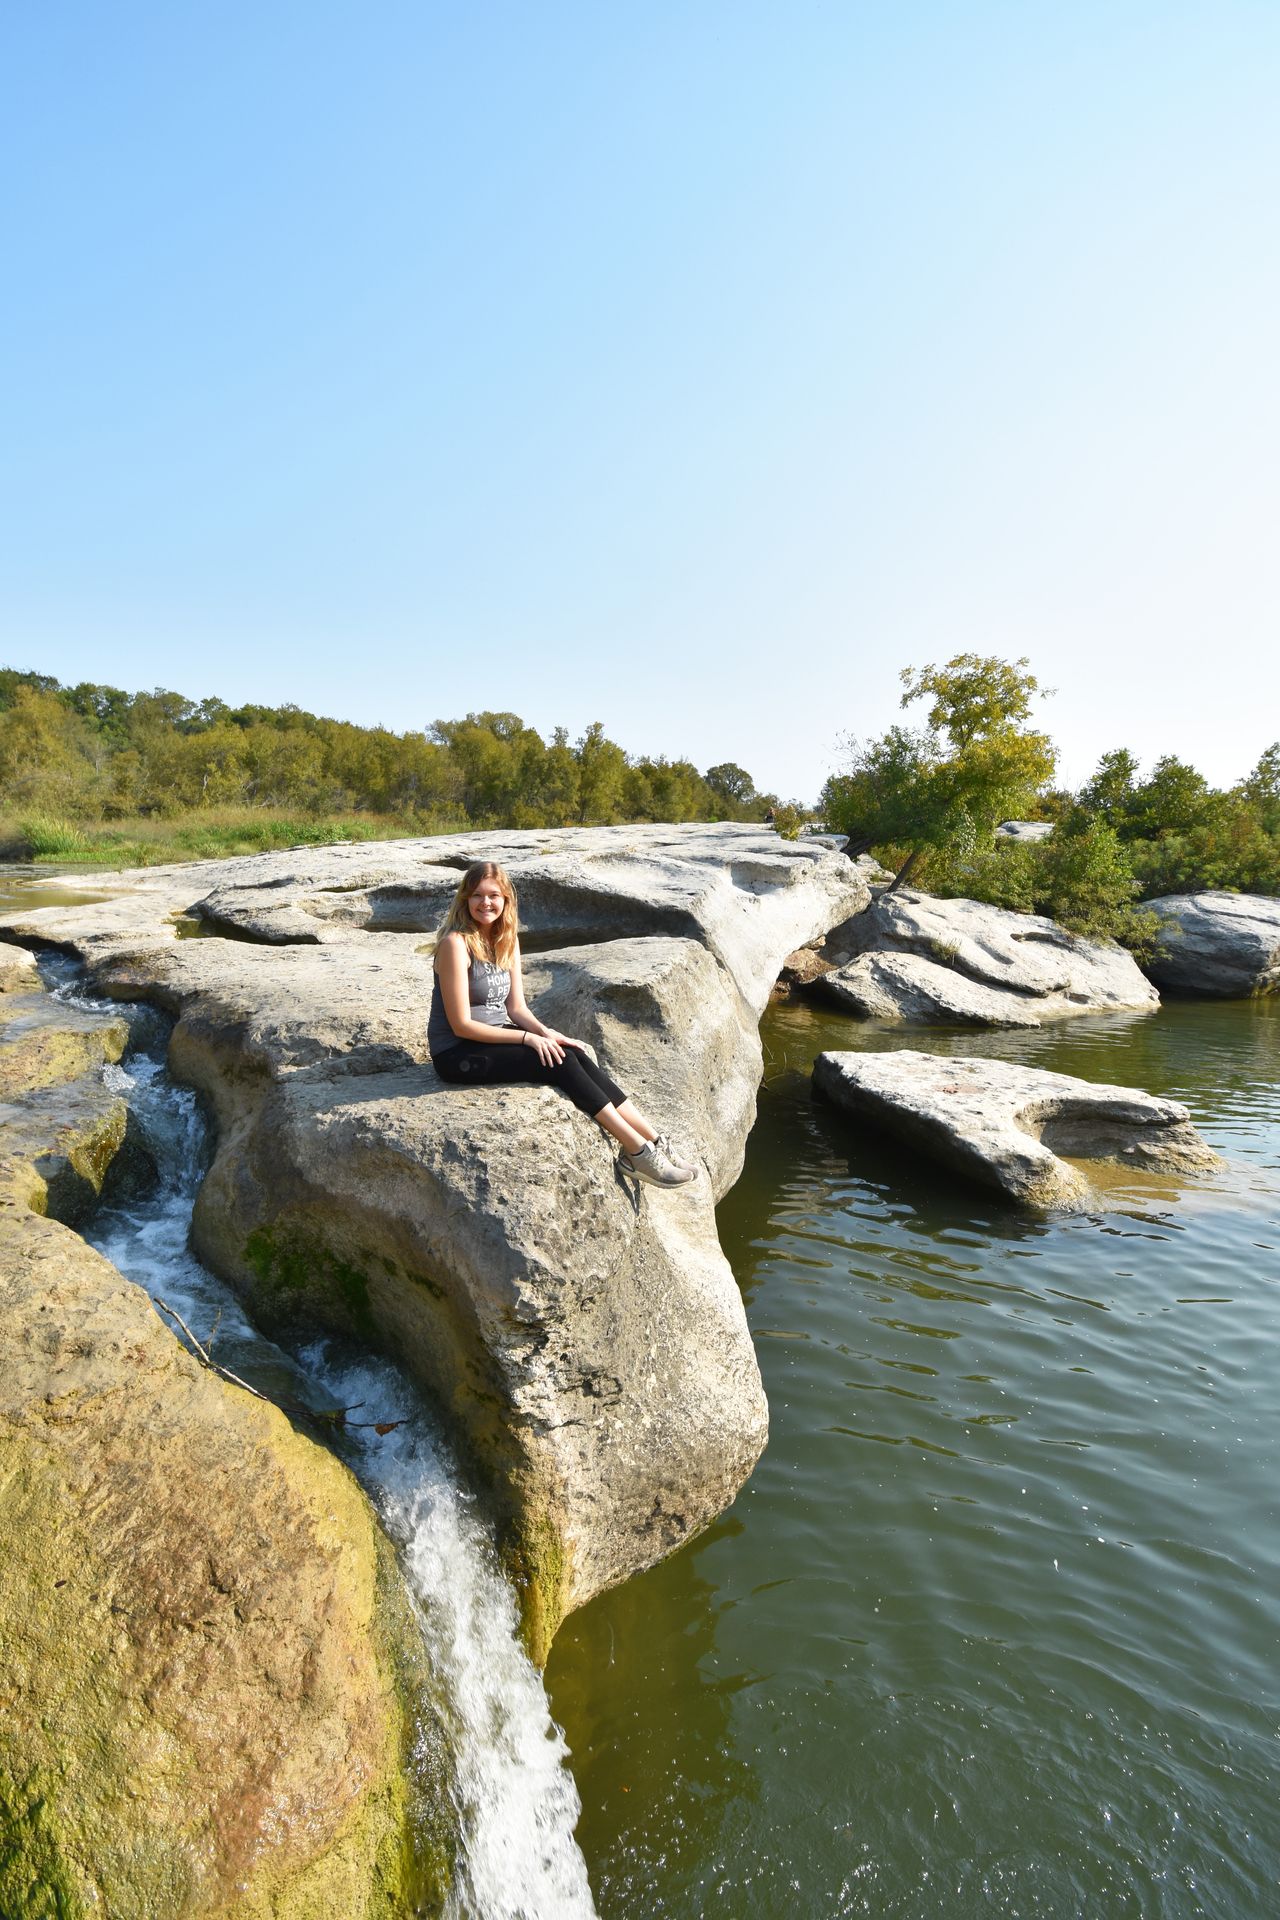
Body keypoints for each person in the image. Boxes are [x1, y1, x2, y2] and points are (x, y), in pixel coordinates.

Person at [427, 860, 697, 1187]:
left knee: (574, 1051)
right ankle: (637, 1153)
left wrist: (544, 1031)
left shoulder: (506, 941)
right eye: (477, 895)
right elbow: (461, 1026)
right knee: (558, 1062)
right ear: (465, 900)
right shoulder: (455, 944)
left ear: (506, 900)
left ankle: (655, 1141)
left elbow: (516, 1008)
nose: (486, 903)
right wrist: (527, 1040)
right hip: (457, 1054)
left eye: (494, 895)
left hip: (493, 1040)